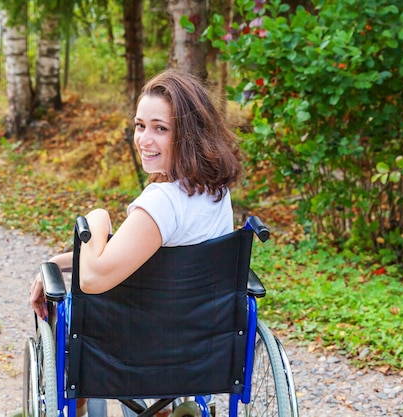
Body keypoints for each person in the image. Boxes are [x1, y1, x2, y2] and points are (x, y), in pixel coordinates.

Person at [29, 69, 243, 417]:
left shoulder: (161, 202)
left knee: (72, 337)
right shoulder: (216, 194)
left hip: (134, 355)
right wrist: (56, 261)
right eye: (140, 125)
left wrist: (97, 219)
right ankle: (168, 409)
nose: (144, 139)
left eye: (160, 128)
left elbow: (93, 278)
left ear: (187, 135)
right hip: (202, 351)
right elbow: (145, 258)